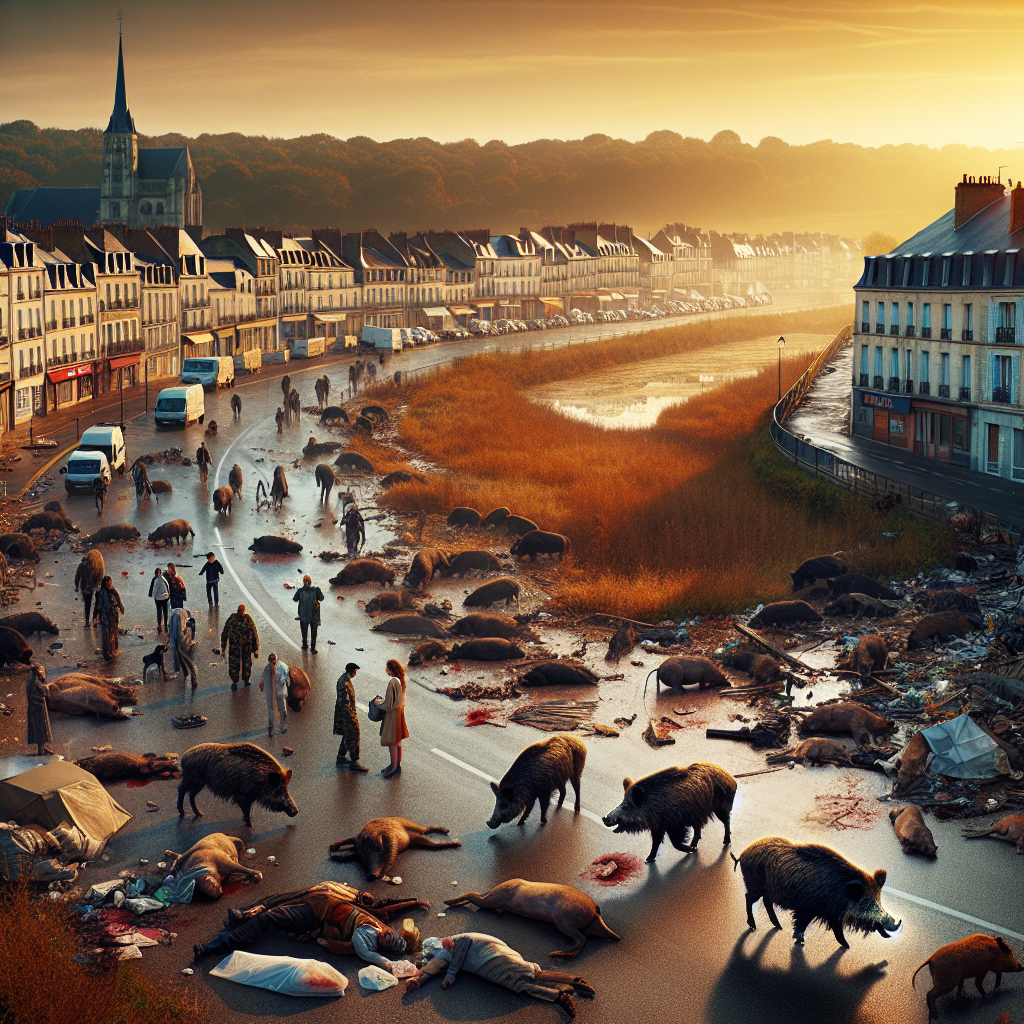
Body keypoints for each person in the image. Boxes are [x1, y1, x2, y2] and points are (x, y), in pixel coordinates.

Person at [192, 881, 423, 965]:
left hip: (314, 916)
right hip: (321, 897)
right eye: (392, 935)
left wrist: (388, 964)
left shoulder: (362, 942)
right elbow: (387, 907)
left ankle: (221, 942)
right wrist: (413, 902)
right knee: (276, 903)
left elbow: (338, 947)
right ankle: (243, 920)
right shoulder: (380, 924)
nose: (388, 935)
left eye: (389, 941)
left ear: (384, 945)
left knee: (270, 916)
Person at [405, 933, 594, 1017]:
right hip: (495, 958)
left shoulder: (453, 943)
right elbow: (436, 965)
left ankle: (564, 989)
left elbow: (444, 958)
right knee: (529, 976)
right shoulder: (450, 948)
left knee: (526, 979)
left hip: (491, 960)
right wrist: (420, 978)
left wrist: (450, 974)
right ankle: (566, 987)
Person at [334, 663, 367, 772]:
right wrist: (352, 718)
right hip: (347, 715)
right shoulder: (344, 683)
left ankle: (341, 757)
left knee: (347, 735)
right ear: (351, 671)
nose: (355, 674)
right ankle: (354, 762)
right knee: (354, 735)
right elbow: (345, 703)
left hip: (345, 714)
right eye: (355, 671)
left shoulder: (344, 679)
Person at [380, 659, 409, 778]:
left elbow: (388, 704)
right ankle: (396, 765)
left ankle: (394, 767)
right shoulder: (401, 680)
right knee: (397, 741)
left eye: (387, 668)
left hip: (393, 714)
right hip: (400, 712)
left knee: (392, 742)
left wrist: (377, 703)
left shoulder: (392, 682)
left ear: (391, 670)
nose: (386, 670)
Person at [221, 604, 259, 690]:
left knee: (241, 664)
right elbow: (253, 633)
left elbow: (253, 634)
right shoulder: (239, 619)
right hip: (239, 646)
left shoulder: (240, 619)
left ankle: (240, 681)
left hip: (240, 646)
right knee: (240, 664)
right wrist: (255, 648)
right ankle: (240, 681)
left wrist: (255, 649)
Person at [93, 575, 125, 661]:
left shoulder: (113, 592)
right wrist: (94, 616)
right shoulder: (100, 593)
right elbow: (97, 605)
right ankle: (107, 654)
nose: (109, 585)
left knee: (113, 634)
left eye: (110, 583)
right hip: (105, 617)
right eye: (108, 583)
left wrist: (121, 608)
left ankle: (114, 651)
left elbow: (119, 601)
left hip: (113, 617)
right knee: (106, 636)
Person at [25, 664, 52, 756]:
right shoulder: (37, 682)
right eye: (42, 671)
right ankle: (41, 750)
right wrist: (45, 682)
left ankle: (43, 747)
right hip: (38, 706)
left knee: (38, 727)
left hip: (33, 706)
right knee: (41, 727)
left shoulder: (30, 680)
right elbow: (46, 693)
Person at [169, 604, 198, 689]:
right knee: (186, 659)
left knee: (181, 657)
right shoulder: (182, 614)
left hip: (177, 641)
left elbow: (171, 628)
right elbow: (182, 629)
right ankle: (192, 676)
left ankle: (188, 673)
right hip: (182, 641)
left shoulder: (175, 614)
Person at [260, 652, 289, 737]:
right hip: (270, 692)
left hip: (280, 691)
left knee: (282, 708)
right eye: (270, 660)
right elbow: (263, 677)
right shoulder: (267, 668)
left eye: (274, 660)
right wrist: (262, 684)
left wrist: (287, 685)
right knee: (271, 709)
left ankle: (283, 726)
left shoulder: (283, 667)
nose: (272, 662)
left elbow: (287, 678)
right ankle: (271, 727)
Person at [293, 574, 324, 653]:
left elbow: (295, 599)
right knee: (314, 633)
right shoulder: (316, 590)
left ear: (303, 582)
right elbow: (322, 598)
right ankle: (313, 648)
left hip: (303, 615)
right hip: (314, 615)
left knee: (304, 631)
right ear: (310, 582)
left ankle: (305, 645)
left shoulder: (300, 590)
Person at [148, 566, 170, 632]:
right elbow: (167, 585)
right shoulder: (163, 579)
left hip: (158, 599)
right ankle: (165, 626)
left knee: (159, 612)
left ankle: (160, 625)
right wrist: (168, 594)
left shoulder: (155, 579)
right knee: (165, 612)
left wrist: (152, 595)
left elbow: (153, 588)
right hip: (164, 598)